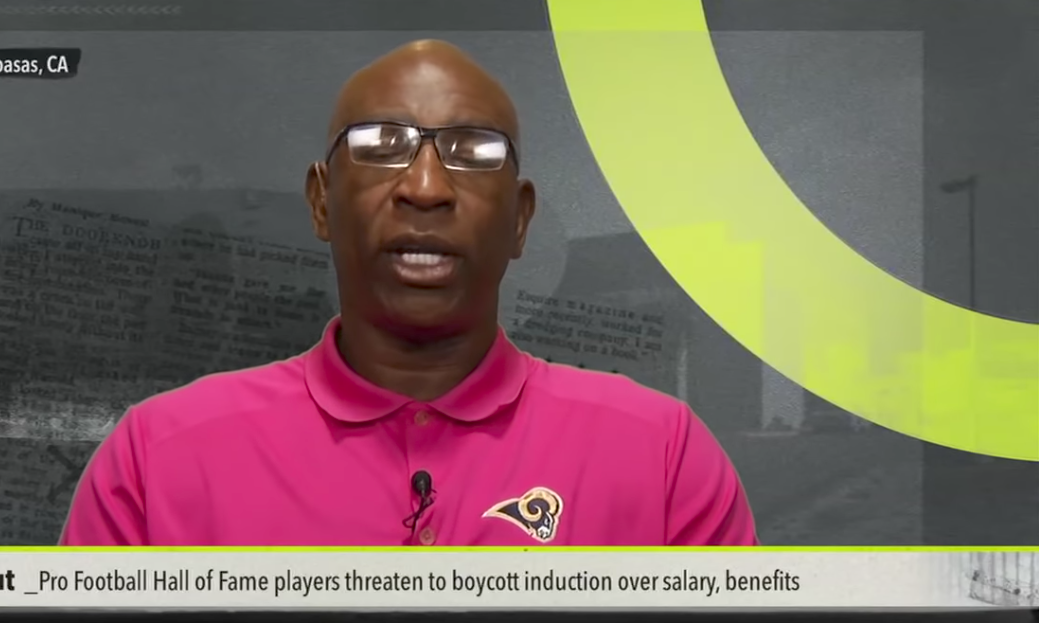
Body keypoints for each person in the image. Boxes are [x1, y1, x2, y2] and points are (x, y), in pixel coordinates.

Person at [59, 39, 758, 546]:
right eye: (379, 143)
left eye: (473, 151)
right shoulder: (159, 458)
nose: (425, 187)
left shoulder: (661, 457)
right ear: (321, 201)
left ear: (519, 219)